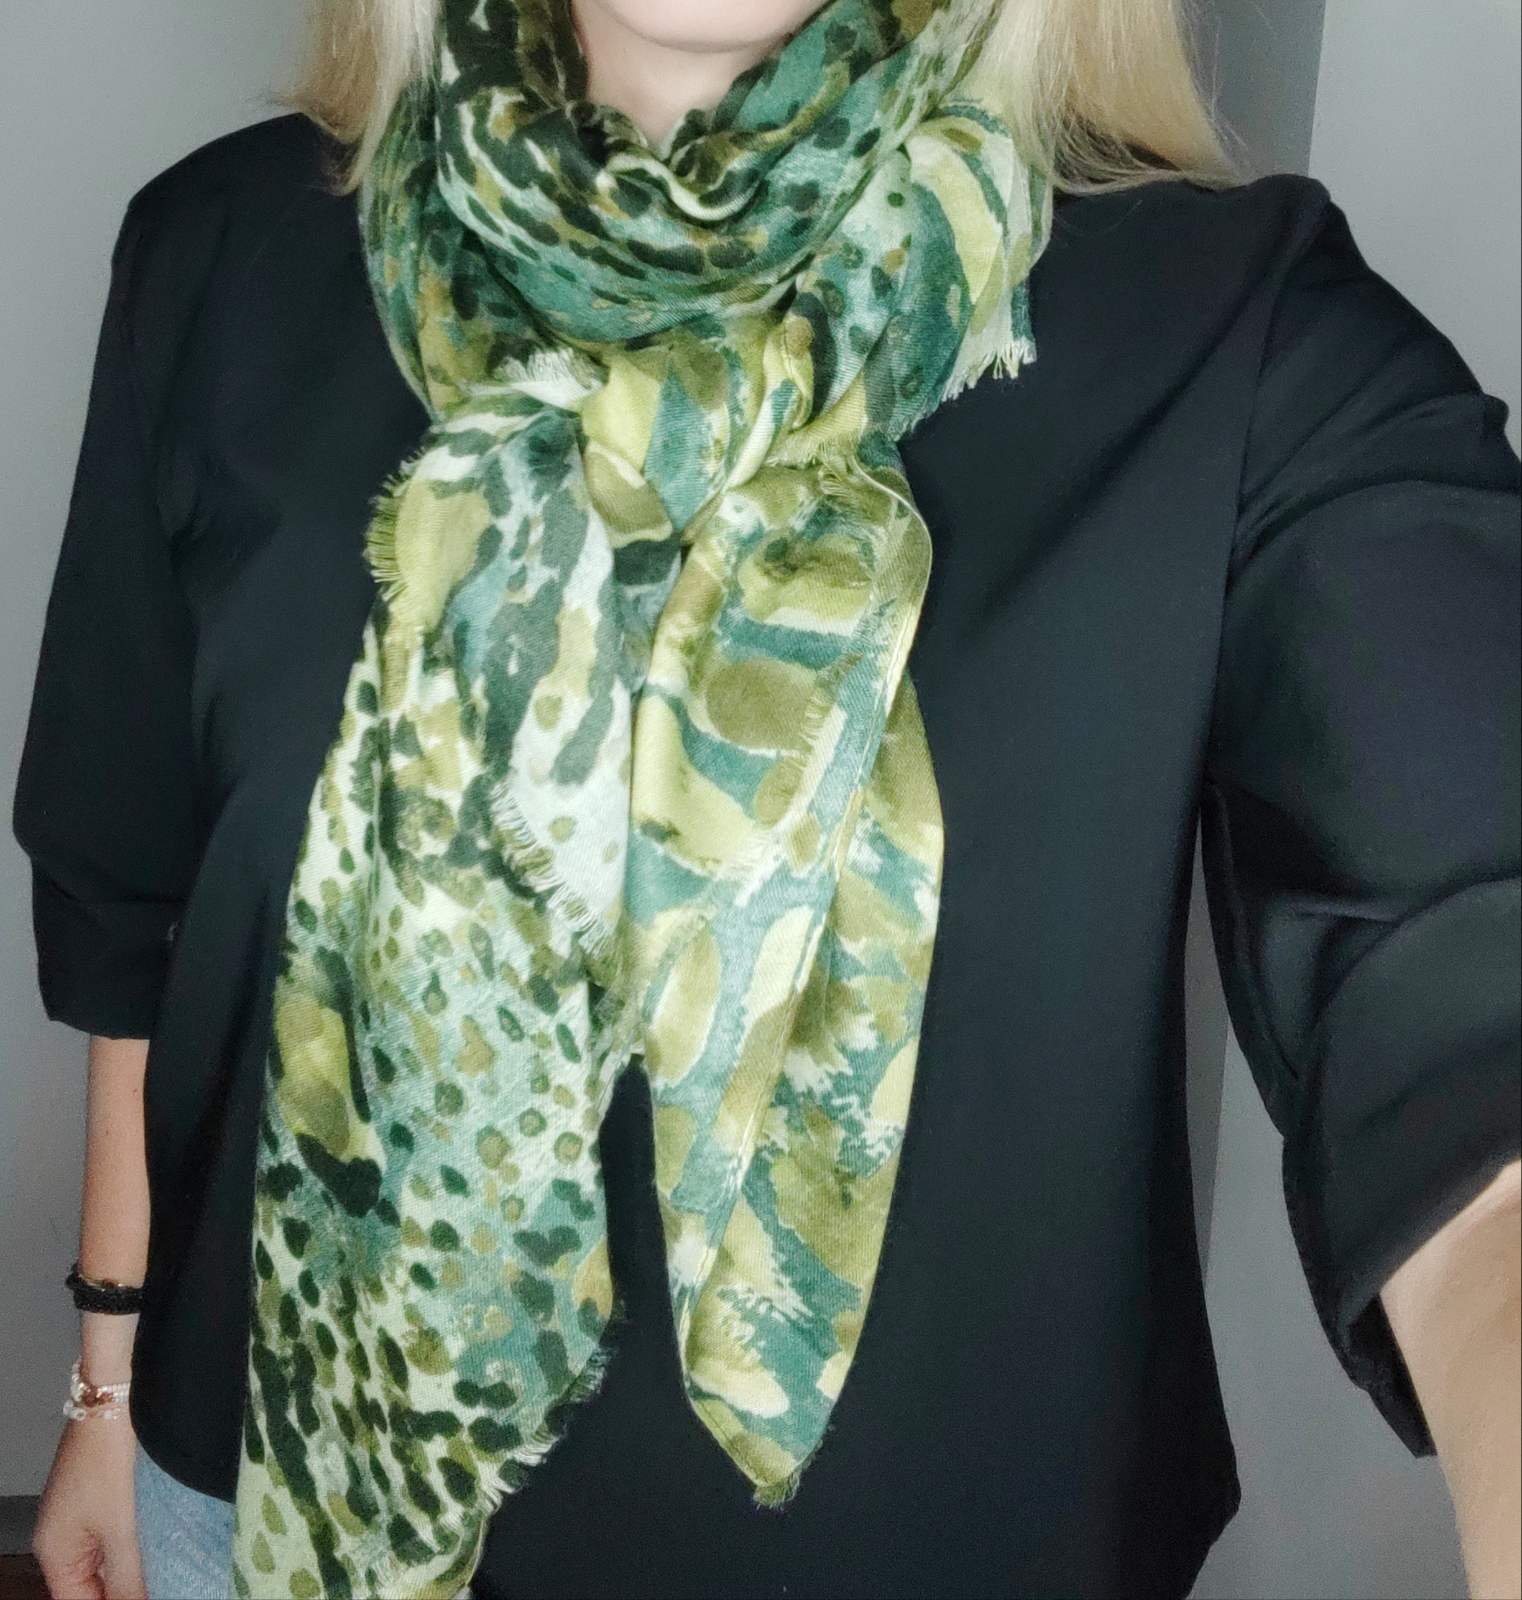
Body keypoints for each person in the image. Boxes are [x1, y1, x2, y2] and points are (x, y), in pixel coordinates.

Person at [13, 0, 1520, 1596]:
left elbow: (1465, 997)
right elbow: (138, 908)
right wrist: (102, 1382)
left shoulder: (1243, 333)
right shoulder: (222, 252)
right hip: (262, 1499)